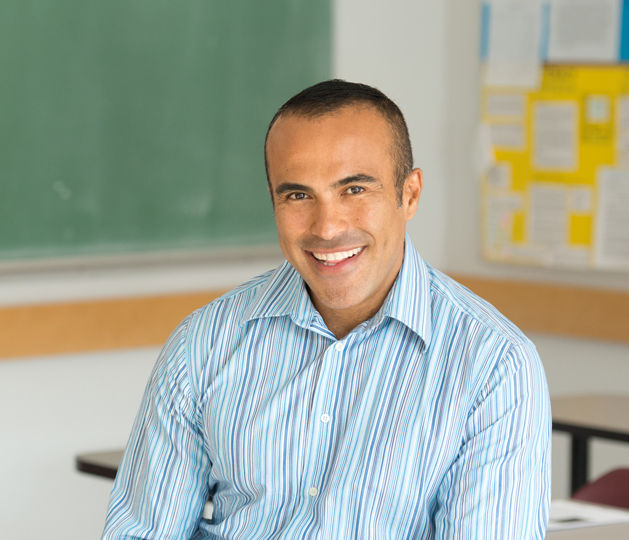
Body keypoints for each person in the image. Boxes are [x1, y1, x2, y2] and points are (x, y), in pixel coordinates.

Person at [102, 80, 551, 539]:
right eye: (298, 196)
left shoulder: (495, 365)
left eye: (354, 189)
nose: (327, 226)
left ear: (409, 195)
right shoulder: (205, 343)